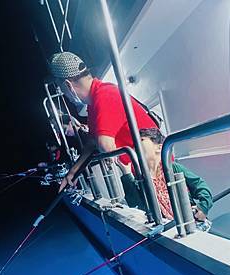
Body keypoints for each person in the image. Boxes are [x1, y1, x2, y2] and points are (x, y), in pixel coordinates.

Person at [48, 51, 159, 191]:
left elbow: (104, 144)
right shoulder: (92, 105)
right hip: (142, 174)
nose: (65, 95)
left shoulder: (105, 94)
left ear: (68, 85)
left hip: (157, 173)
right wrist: (73, 173)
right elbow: (92, 142)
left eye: (62, 89)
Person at [119, 128, 213, 225]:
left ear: (159, 148)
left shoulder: (173, 168)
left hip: (191, 223)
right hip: (166, 227)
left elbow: (200, 185)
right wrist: (126, 174)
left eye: (141, 140)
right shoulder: (141, 178)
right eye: (134, 144)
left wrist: (203, 207)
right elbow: (134, 204)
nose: (135, 146)